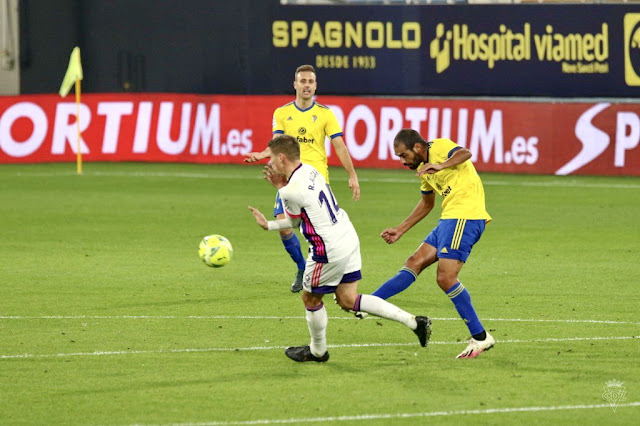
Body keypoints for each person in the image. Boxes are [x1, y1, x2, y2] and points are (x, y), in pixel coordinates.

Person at [248, 135, 430, 363]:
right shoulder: (312, 170)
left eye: (272, 158)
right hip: (347, 236)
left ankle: (317, 351)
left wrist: (270, 221)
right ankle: (414, 322)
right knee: (347, 299)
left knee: (310, 299)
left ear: (282, 157)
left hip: (328, 249)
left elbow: (294, 223)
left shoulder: (289, 191)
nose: (270, 163)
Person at [370, 129, 495, 359]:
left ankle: (480, 337)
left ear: (417, 147)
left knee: (446, 278)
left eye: (403, 154)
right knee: (414, 261)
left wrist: (441, 165)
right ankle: (369, 303)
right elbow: (427, 204)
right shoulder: (421, 170)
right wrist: (400, 229)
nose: (402, 160)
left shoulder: (438, 147)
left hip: (465, 216)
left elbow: (465, 153)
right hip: (449, 218)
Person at [245, 64, 360, 293]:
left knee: (318, 230)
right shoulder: (282, 113)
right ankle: (302, 267)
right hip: (289, 178)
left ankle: (331, 269)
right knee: (284, 227)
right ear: (295, 84)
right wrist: (262, 154)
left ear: (315, 86)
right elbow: (276, 145)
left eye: (310, 82)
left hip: (316, 180)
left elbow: (339, 146)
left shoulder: (326, 114)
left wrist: (352, 175)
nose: (306, 85)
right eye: (303, 81)